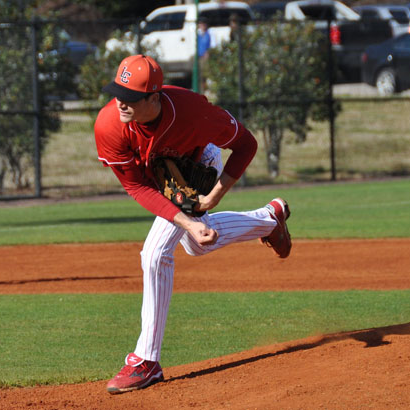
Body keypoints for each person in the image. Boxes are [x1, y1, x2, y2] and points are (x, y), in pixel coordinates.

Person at [94, 55, 292, 394]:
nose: (120, 102)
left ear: (154, 98)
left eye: (130, 96)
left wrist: (213, 197)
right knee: (199, 243)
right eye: (118, 91)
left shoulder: (194, 111)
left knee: (154, 254)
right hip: (158, 180)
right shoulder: (109, 124)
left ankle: (146, 361)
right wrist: (187, 221)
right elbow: (137, 186)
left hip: (200, 161)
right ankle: (268, 219)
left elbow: (246, 144)